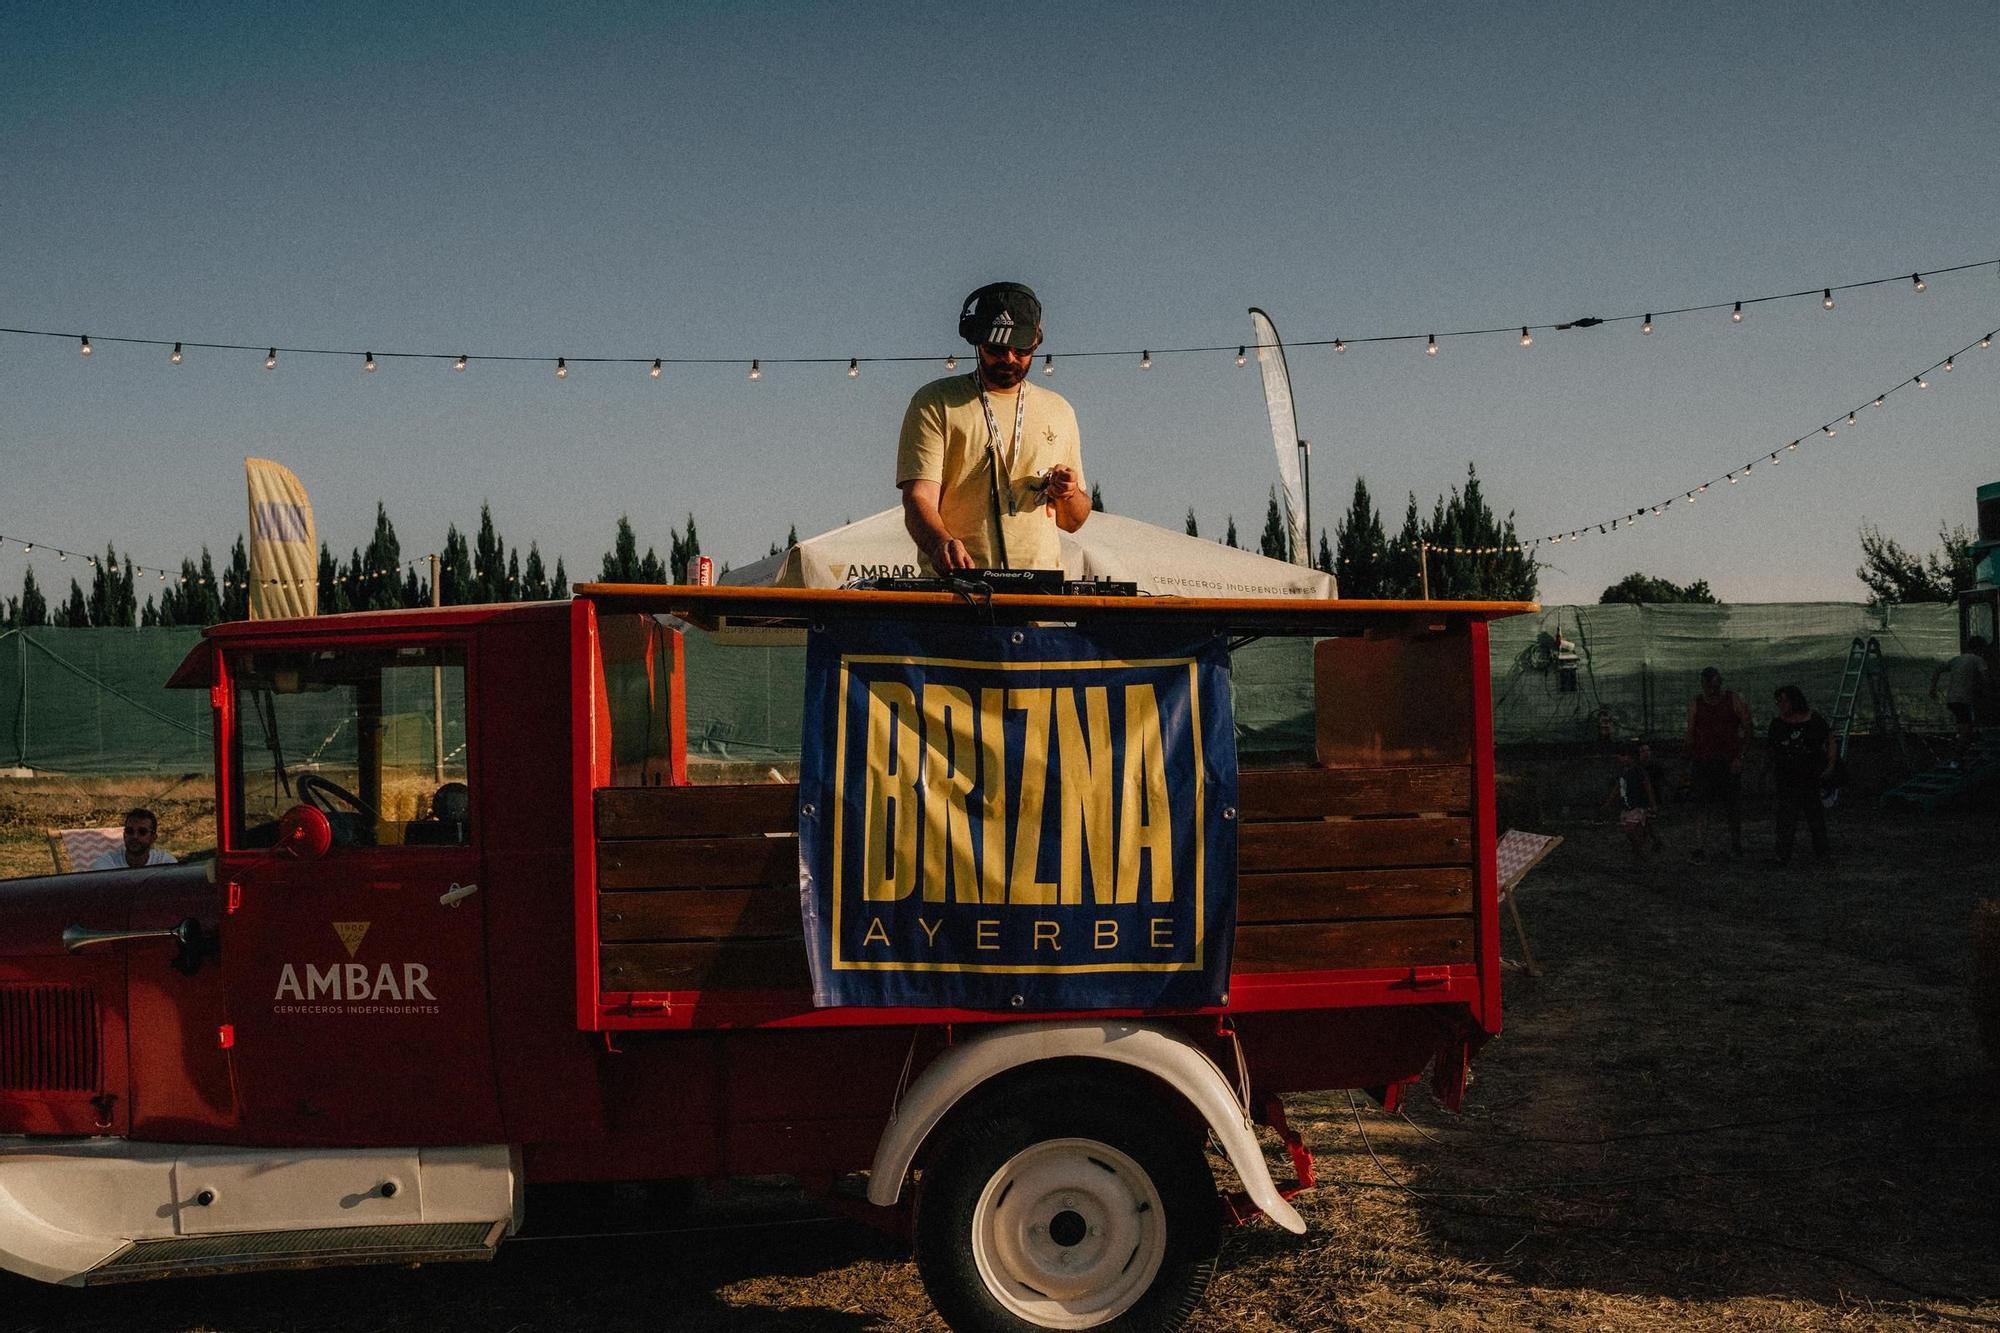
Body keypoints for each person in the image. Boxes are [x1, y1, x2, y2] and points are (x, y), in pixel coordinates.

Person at [897, 282, 1089, 574]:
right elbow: (919, 498)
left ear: (1036, 340)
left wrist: (1069, 493)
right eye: (997, 349)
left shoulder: (1060, 410)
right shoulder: (935, 402)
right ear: (976, 341)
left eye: (1021, 349)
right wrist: (940, 543)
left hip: (1039, 597)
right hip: (957, 590)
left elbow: (1073, 521)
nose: (1009, 358)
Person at [1685, 666, 1751, 862]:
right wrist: (1688, 758)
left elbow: (1748, 728)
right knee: (1702, 806)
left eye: (1716, 686)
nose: (1714, 690)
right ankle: (1699, 847)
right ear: (1704, 685)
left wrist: (1741, 756)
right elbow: (1690, 734)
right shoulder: (1696, 704)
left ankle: (1736, 844)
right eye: (1710, 686)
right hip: (1704, 761)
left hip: (1728, 761)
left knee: (1732, 806)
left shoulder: (1733, 700)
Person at [1767, 685, 1835, 865]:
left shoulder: (1813, 720)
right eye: (1778, 701)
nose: (1781, 705)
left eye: (1784, 701)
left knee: (1814, 816)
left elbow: (1829, 739)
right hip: (1787, 779)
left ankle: (1822, 853)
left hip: (1810, 777)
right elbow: (1772, 751)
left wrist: (1831, 764)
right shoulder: (1778, 725)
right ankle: (1782, 854)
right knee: (1786, 818)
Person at [1931, 634, 1990, 768]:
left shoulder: (1957, 659)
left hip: (1952, 700)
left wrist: (1932, 688)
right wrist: (1986, 693)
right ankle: (1956, 759)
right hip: (1964, 700)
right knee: (1966, 730)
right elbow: (1985, 678)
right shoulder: (1978, 660)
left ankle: (1962, 754)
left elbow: (1938, 669)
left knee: (1966, 726)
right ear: (1980, 648)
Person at [1606, 744, 1658, 859]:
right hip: (1628, 805)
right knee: (1631, 831)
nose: (1619, 759)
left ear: (1628, 757)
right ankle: (1639, 853)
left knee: (1632, 830)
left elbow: (1647, 786)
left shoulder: (1638, 771)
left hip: (1637, 805)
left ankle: (1639, 853)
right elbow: (1618, 787)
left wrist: (1652, 803)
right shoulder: (1625, 771)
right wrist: (1609, 802)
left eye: (1621, 756)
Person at [89, 807, 178, 870]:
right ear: (124, 835)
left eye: (142, 832)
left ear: (153, 838)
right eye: (129, 831)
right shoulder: (107, 864)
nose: (135, 836)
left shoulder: (165, 864)